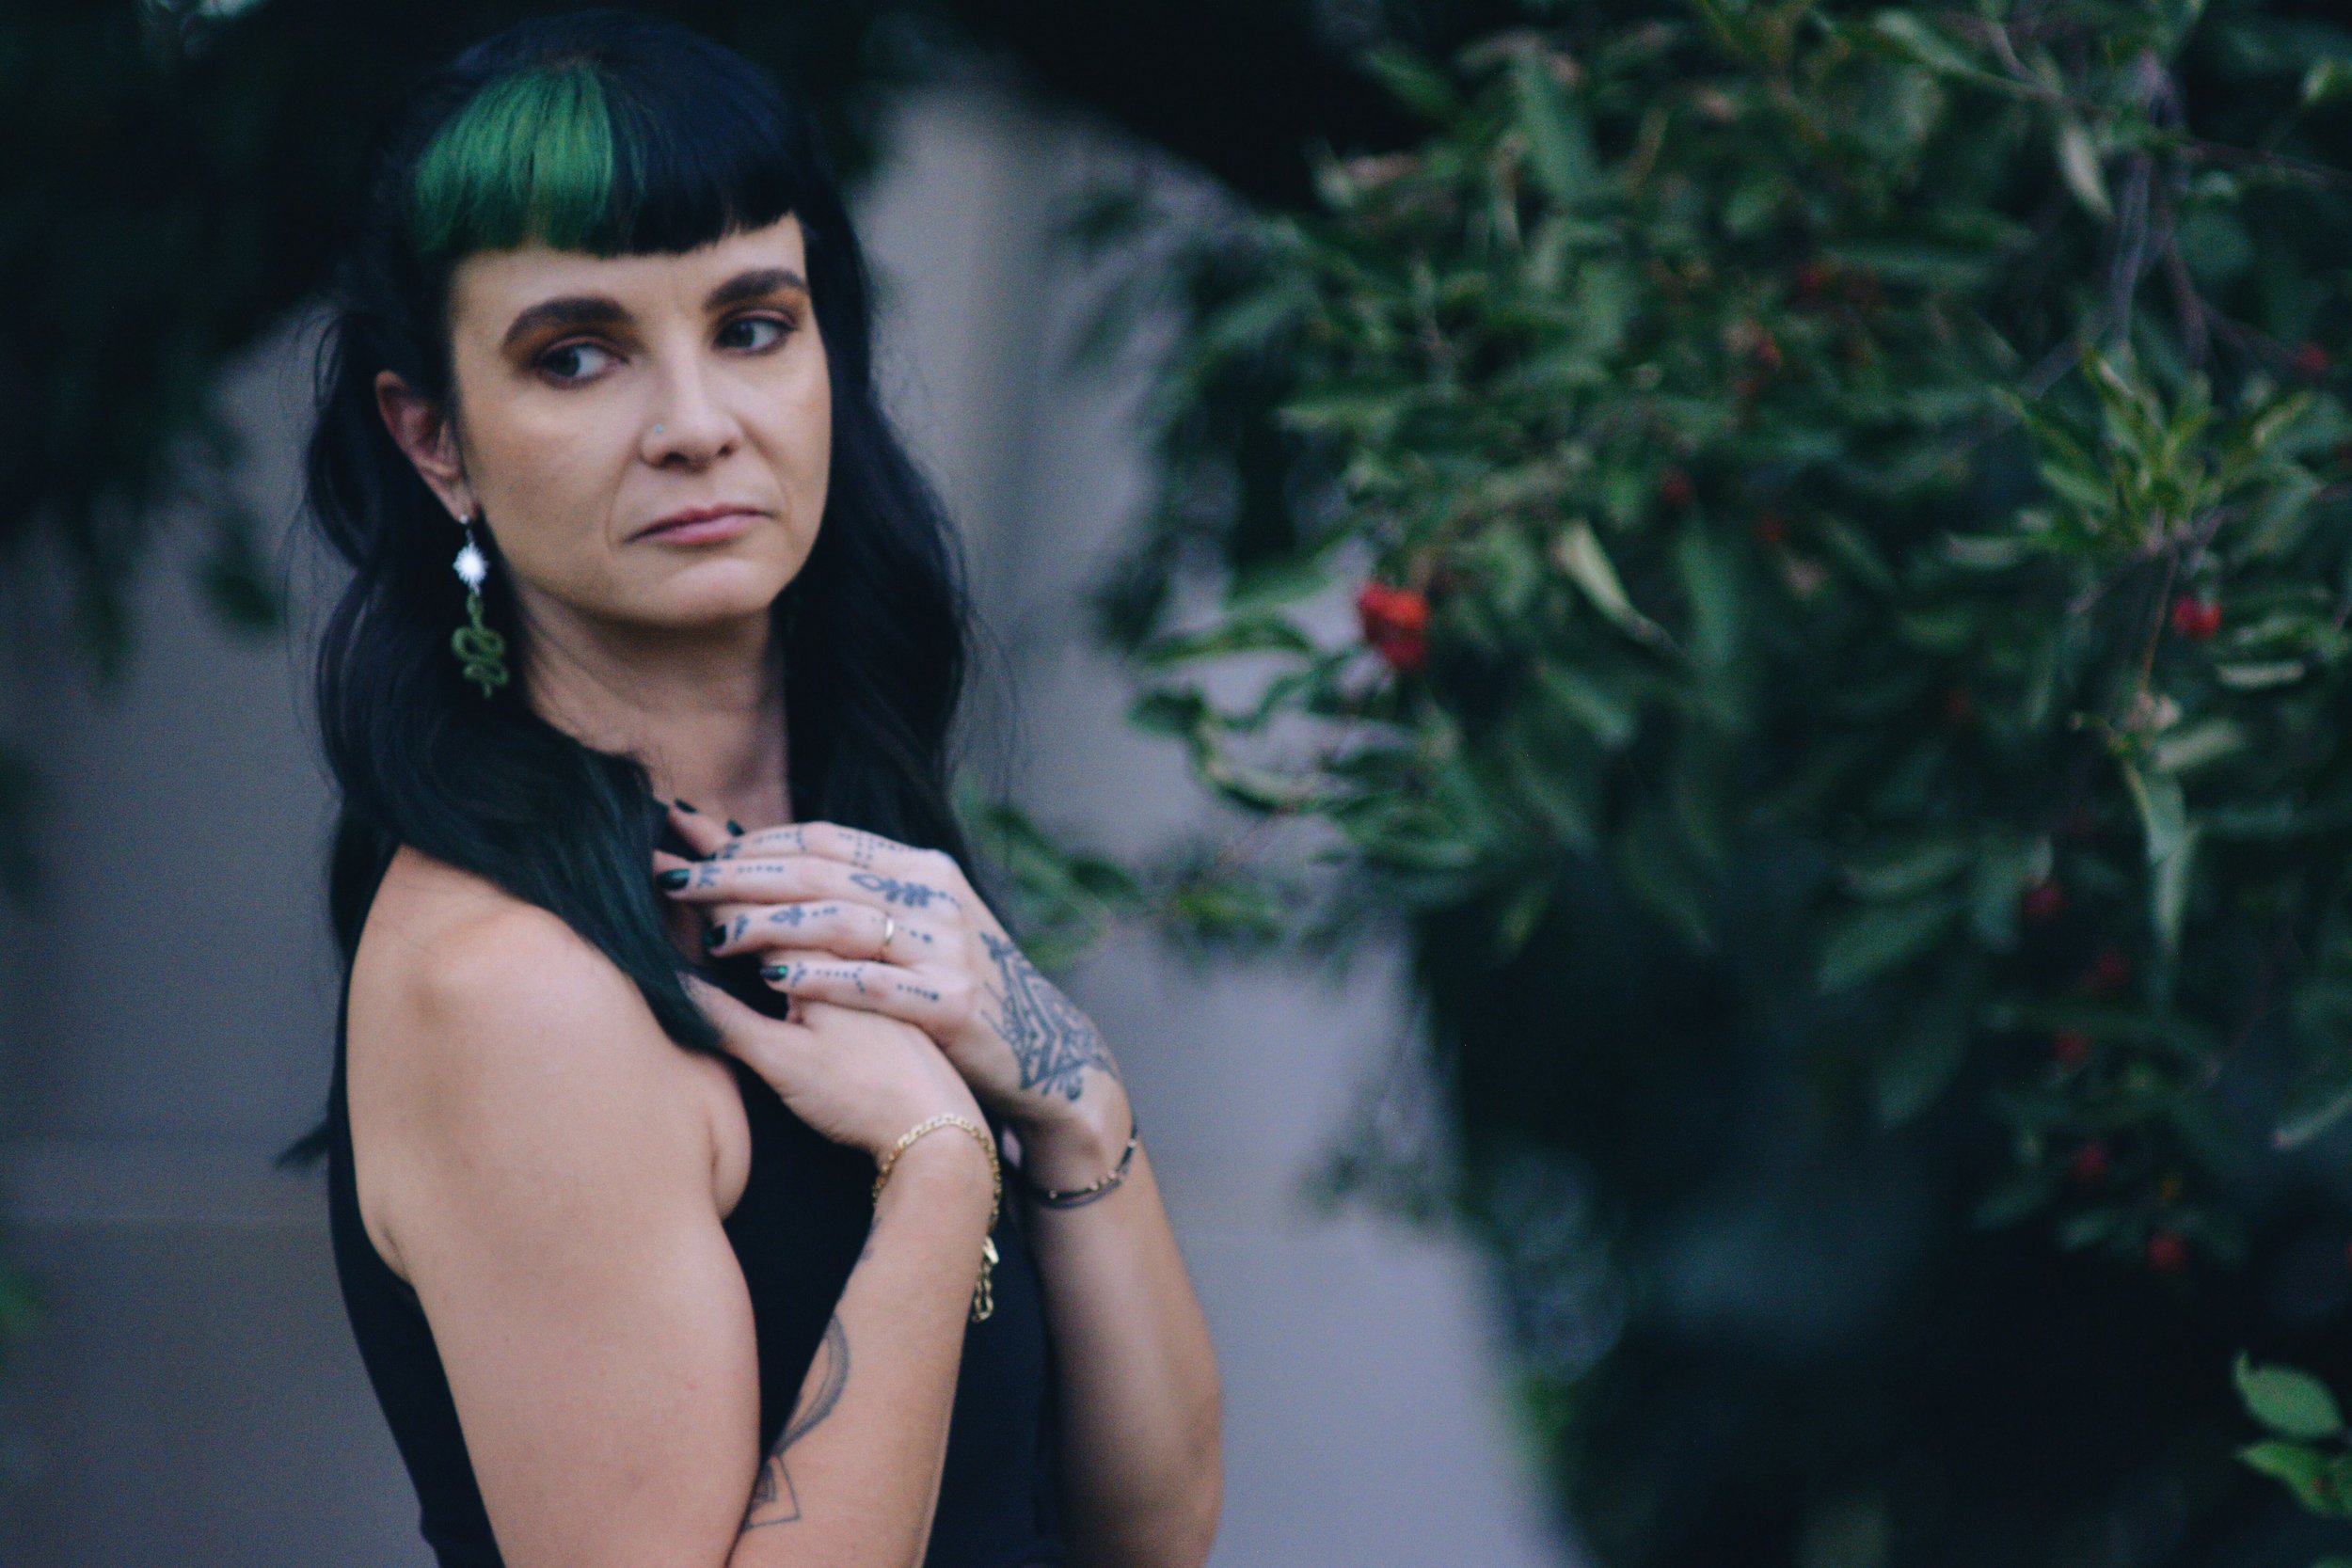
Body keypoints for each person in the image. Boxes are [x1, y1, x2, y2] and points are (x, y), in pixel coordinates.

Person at [279, 11, 1221, 1566]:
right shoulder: (517, 986)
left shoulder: (855, 838)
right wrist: (932, 1192)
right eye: (576, 356)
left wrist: (1069, 1095)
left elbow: (1155, 1533)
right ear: (434, 441)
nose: (697, 425)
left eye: (752, 323)